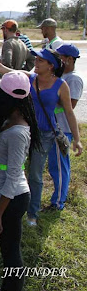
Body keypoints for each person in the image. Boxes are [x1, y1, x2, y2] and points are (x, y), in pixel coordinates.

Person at [0, 45, 83, 227]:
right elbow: (2, 70)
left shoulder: (61, 85)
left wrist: (77, 140)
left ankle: (32, 213)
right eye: (36, 59)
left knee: (35, 174)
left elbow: (69, 112)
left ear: (51, 66)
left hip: (44, 135)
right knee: (2, 165)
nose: (35, 63)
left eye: (40, 60)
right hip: (22, 131)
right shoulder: (29, 78)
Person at [0, 71, 41, 291]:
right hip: (4, 194)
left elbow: (14, 176)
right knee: (6, 251)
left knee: (12, 253)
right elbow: (1, 168)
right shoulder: (9, 121)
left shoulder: (18, 132)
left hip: (13, 199)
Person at [47, 44, 82, 210]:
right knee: (54, 165)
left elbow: (70, 106)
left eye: (60, 57)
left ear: (69, 59)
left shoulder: (73, 79)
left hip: (62, 129)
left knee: (60, 167)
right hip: (52, 127)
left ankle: (58, 202)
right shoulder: (60, 76)